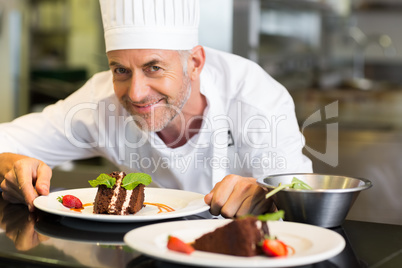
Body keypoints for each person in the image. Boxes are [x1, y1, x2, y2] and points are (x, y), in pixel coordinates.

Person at [0, 0, 312, 217]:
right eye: (120, 70)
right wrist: (10, 163)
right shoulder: (99, 102)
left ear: (194, 63)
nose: (135, 93)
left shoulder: (254, 96)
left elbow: (299, 200)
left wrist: (265, 196)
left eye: (154, 68)